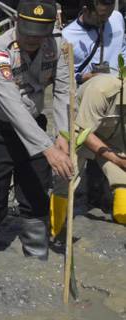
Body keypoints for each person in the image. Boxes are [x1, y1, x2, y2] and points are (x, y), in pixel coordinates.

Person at [0, 0, 72, 262]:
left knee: (37, 192)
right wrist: (48, 148)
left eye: (40, 36)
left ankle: (36, 256)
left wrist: (63, 135)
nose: (32, 40)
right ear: (16, 22)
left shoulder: (58, 46)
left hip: (35, 125)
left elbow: (62, 92)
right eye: (27, 33)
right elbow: (13, 108)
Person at [58, 0, 126, 216]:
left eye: (107, 16)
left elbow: (123, 48)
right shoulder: (68, 37)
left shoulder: (116, 18)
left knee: (113, 143)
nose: (104, 21)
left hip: (118, 95)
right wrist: (82, 76)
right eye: (100, 17)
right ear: (85, 9)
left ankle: (102, 198)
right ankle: (55, 217)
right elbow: (63, 76)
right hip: (87, 96)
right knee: (77, 151)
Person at [50, 74, 126, 226]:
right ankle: (53, 227)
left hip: (112, 131)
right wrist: (116, 158)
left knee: (122, 176)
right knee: (67, 175)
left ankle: (121, 217)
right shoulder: (101, 90)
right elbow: (85, 133)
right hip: (79, 132)